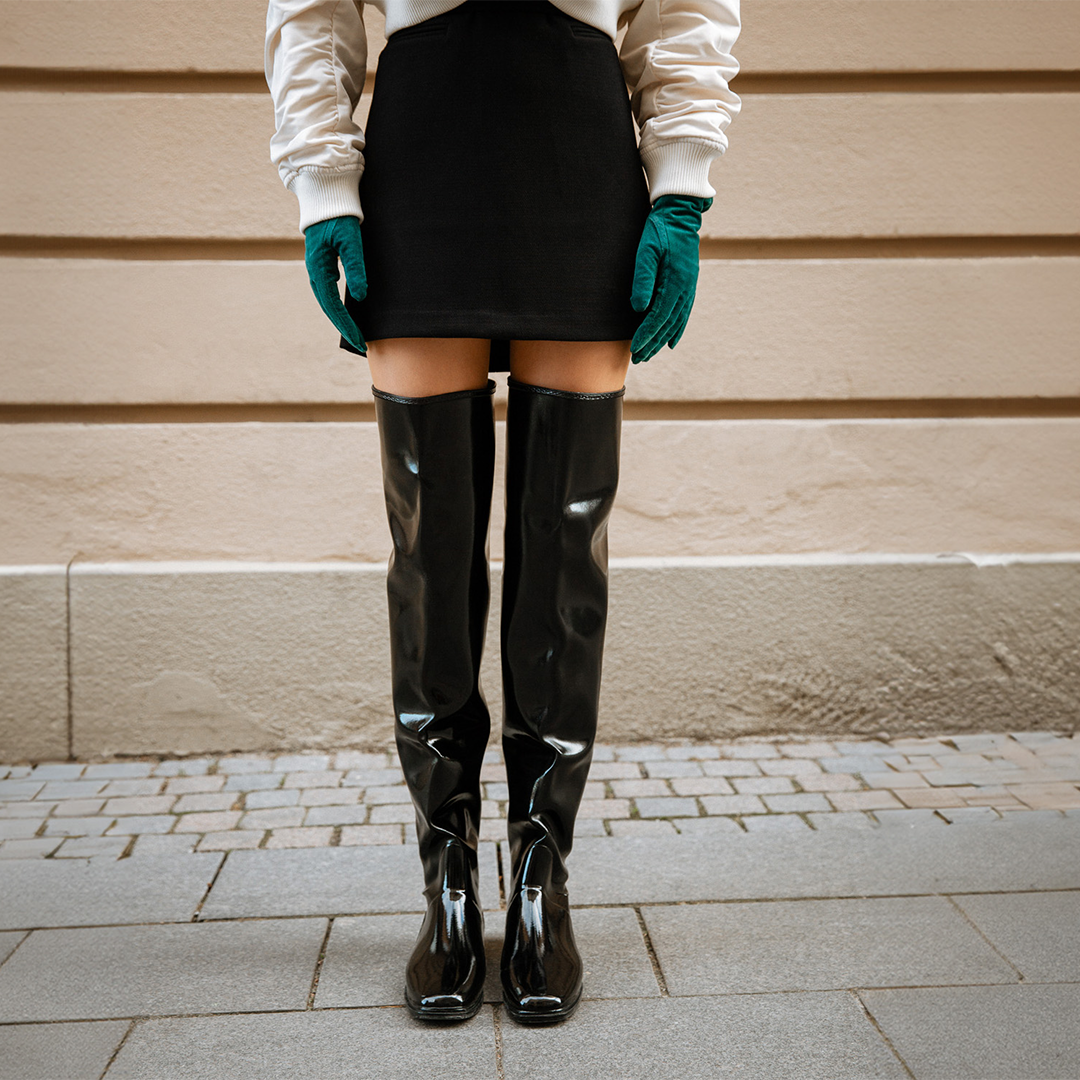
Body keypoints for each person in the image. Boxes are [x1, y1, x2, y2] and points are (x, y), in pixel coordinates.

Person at [265, 0, 740, 1025]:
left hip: (579, 150)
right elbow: (309, 11)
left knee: (564, 556)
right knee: (430, 559)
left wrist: (681, 188)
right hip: (420, 159)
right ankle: (446, 881)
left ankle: (539, 882)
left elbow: (687, 9)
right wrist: (322, 186)